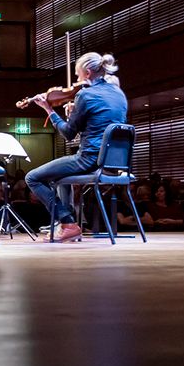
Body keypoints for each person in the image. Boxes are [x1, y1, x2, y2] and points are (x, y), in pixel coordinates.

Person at [24, 51, 128, 242]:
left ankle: (67, 222)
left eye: (78, 74)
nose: (77, 79)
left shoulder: (86, 95)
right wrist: (76, 114)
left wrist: (49, 109)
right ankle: (67, 223)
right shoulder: (118, 93)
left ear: (88, 73)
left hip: (90, 159)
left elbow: (68, 134)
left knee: (32, 178)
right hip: (115, 163)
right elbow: (101, 125)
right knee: (60, 175)